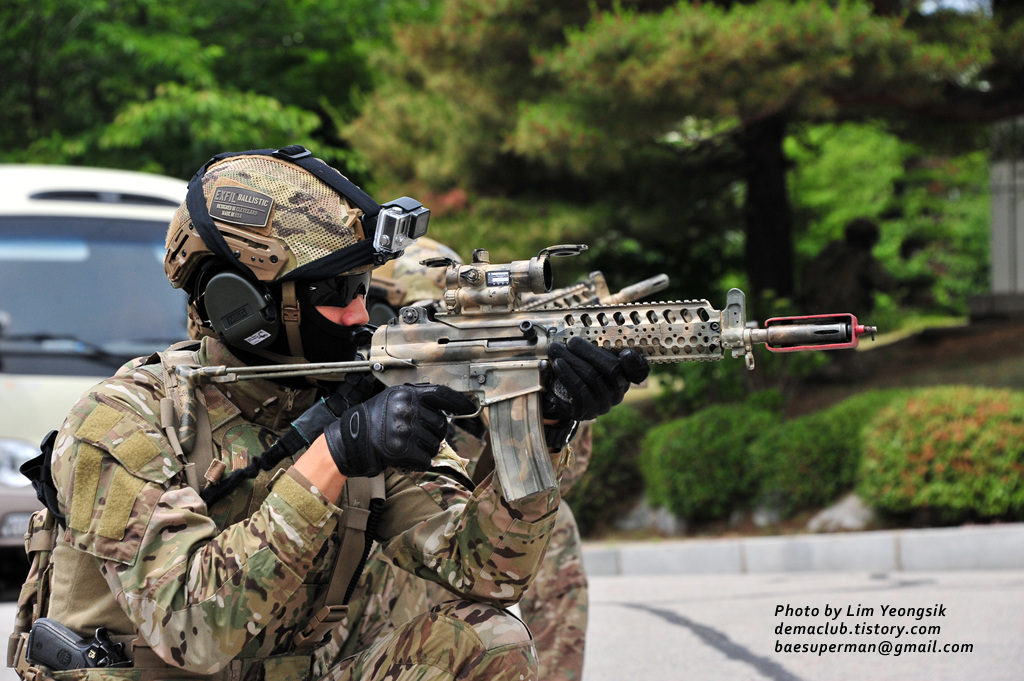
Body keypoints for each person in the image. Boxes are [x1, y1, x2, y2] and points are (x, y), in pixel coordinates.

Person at [10, 147, 649, 681]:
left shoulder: (353, 392)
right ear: (242, 304)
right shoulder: (121, 420)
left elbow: (484, 570)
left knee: (487, 639)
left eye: (362, 290)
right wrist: (333, 457)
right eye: (333, 295)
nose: (360, 316)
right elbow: (194, 629)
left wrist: (544, 430)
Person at [367, 239, 592, 681]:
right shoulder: (361, 400)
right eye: (424, 320)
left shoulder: (487, 366)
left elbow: (568, 472)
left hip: (460, 534)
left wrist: (551, 409)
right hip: (389, 592)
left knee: (556, 520)